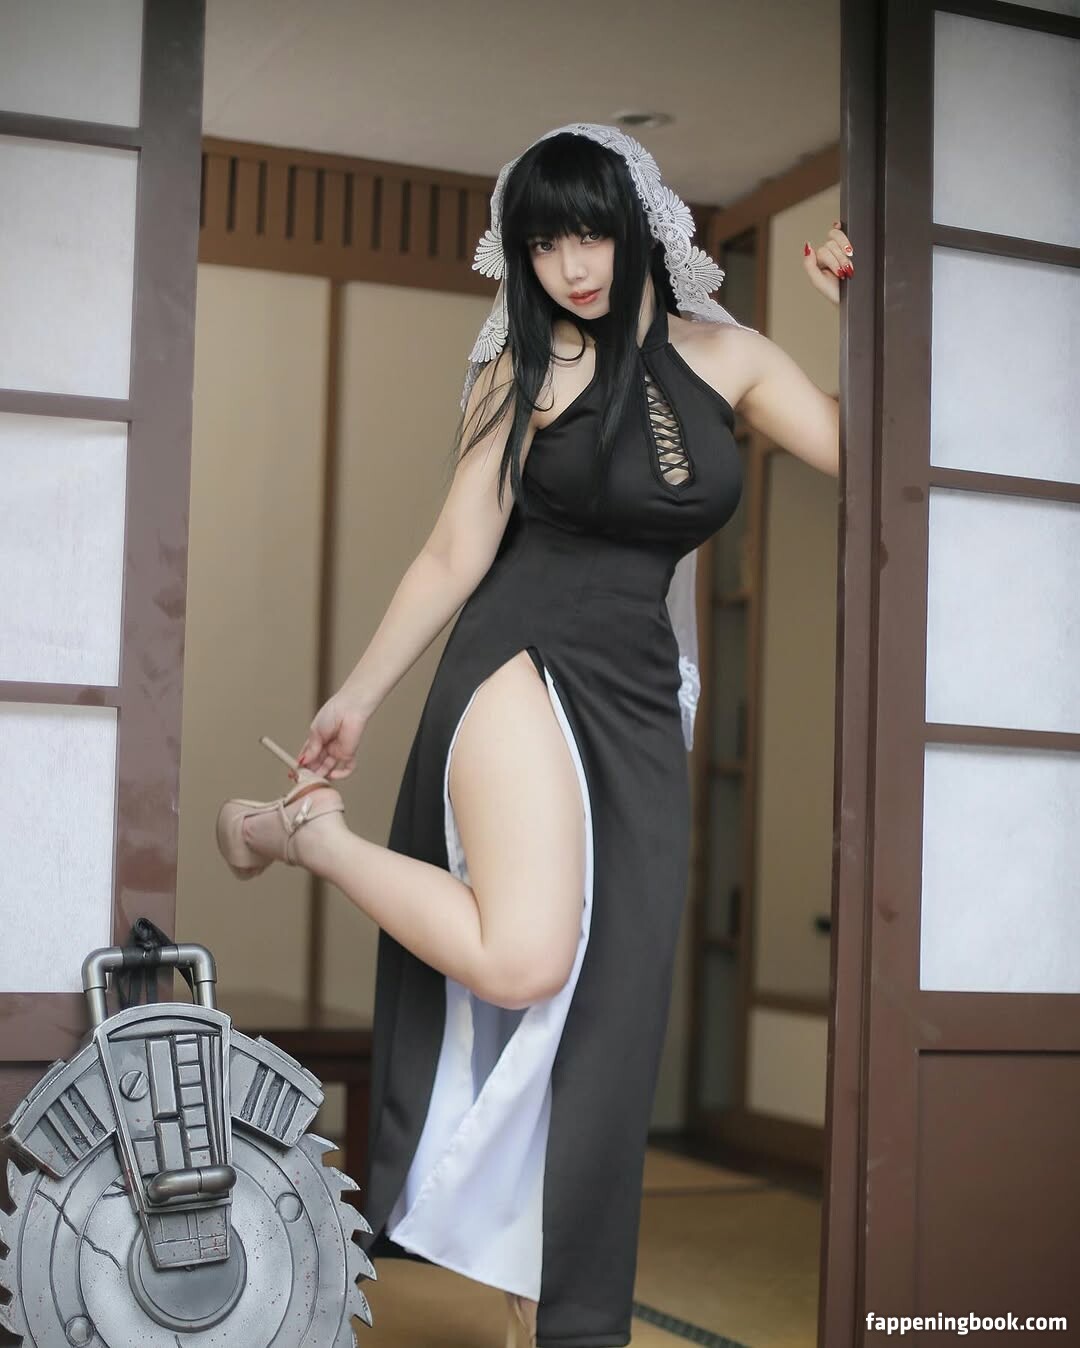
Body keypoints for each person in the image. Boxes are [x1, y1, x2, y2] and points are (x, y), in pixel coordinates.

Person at [216, 124, 852, 1347]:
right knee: (522, 962)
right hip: (519, 655)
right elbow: (456, 550)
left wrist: (855, 315)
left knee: (609, 1019)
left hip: (639, 689)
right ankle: (314, 837)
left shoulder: (733, 359)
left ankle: (559, 1312)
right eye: (546, 243)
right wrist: (357, 696)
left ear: (641, 227)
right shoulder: (528, 368)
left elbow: (866, 456)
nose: (573, 266)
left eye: (592, 234)